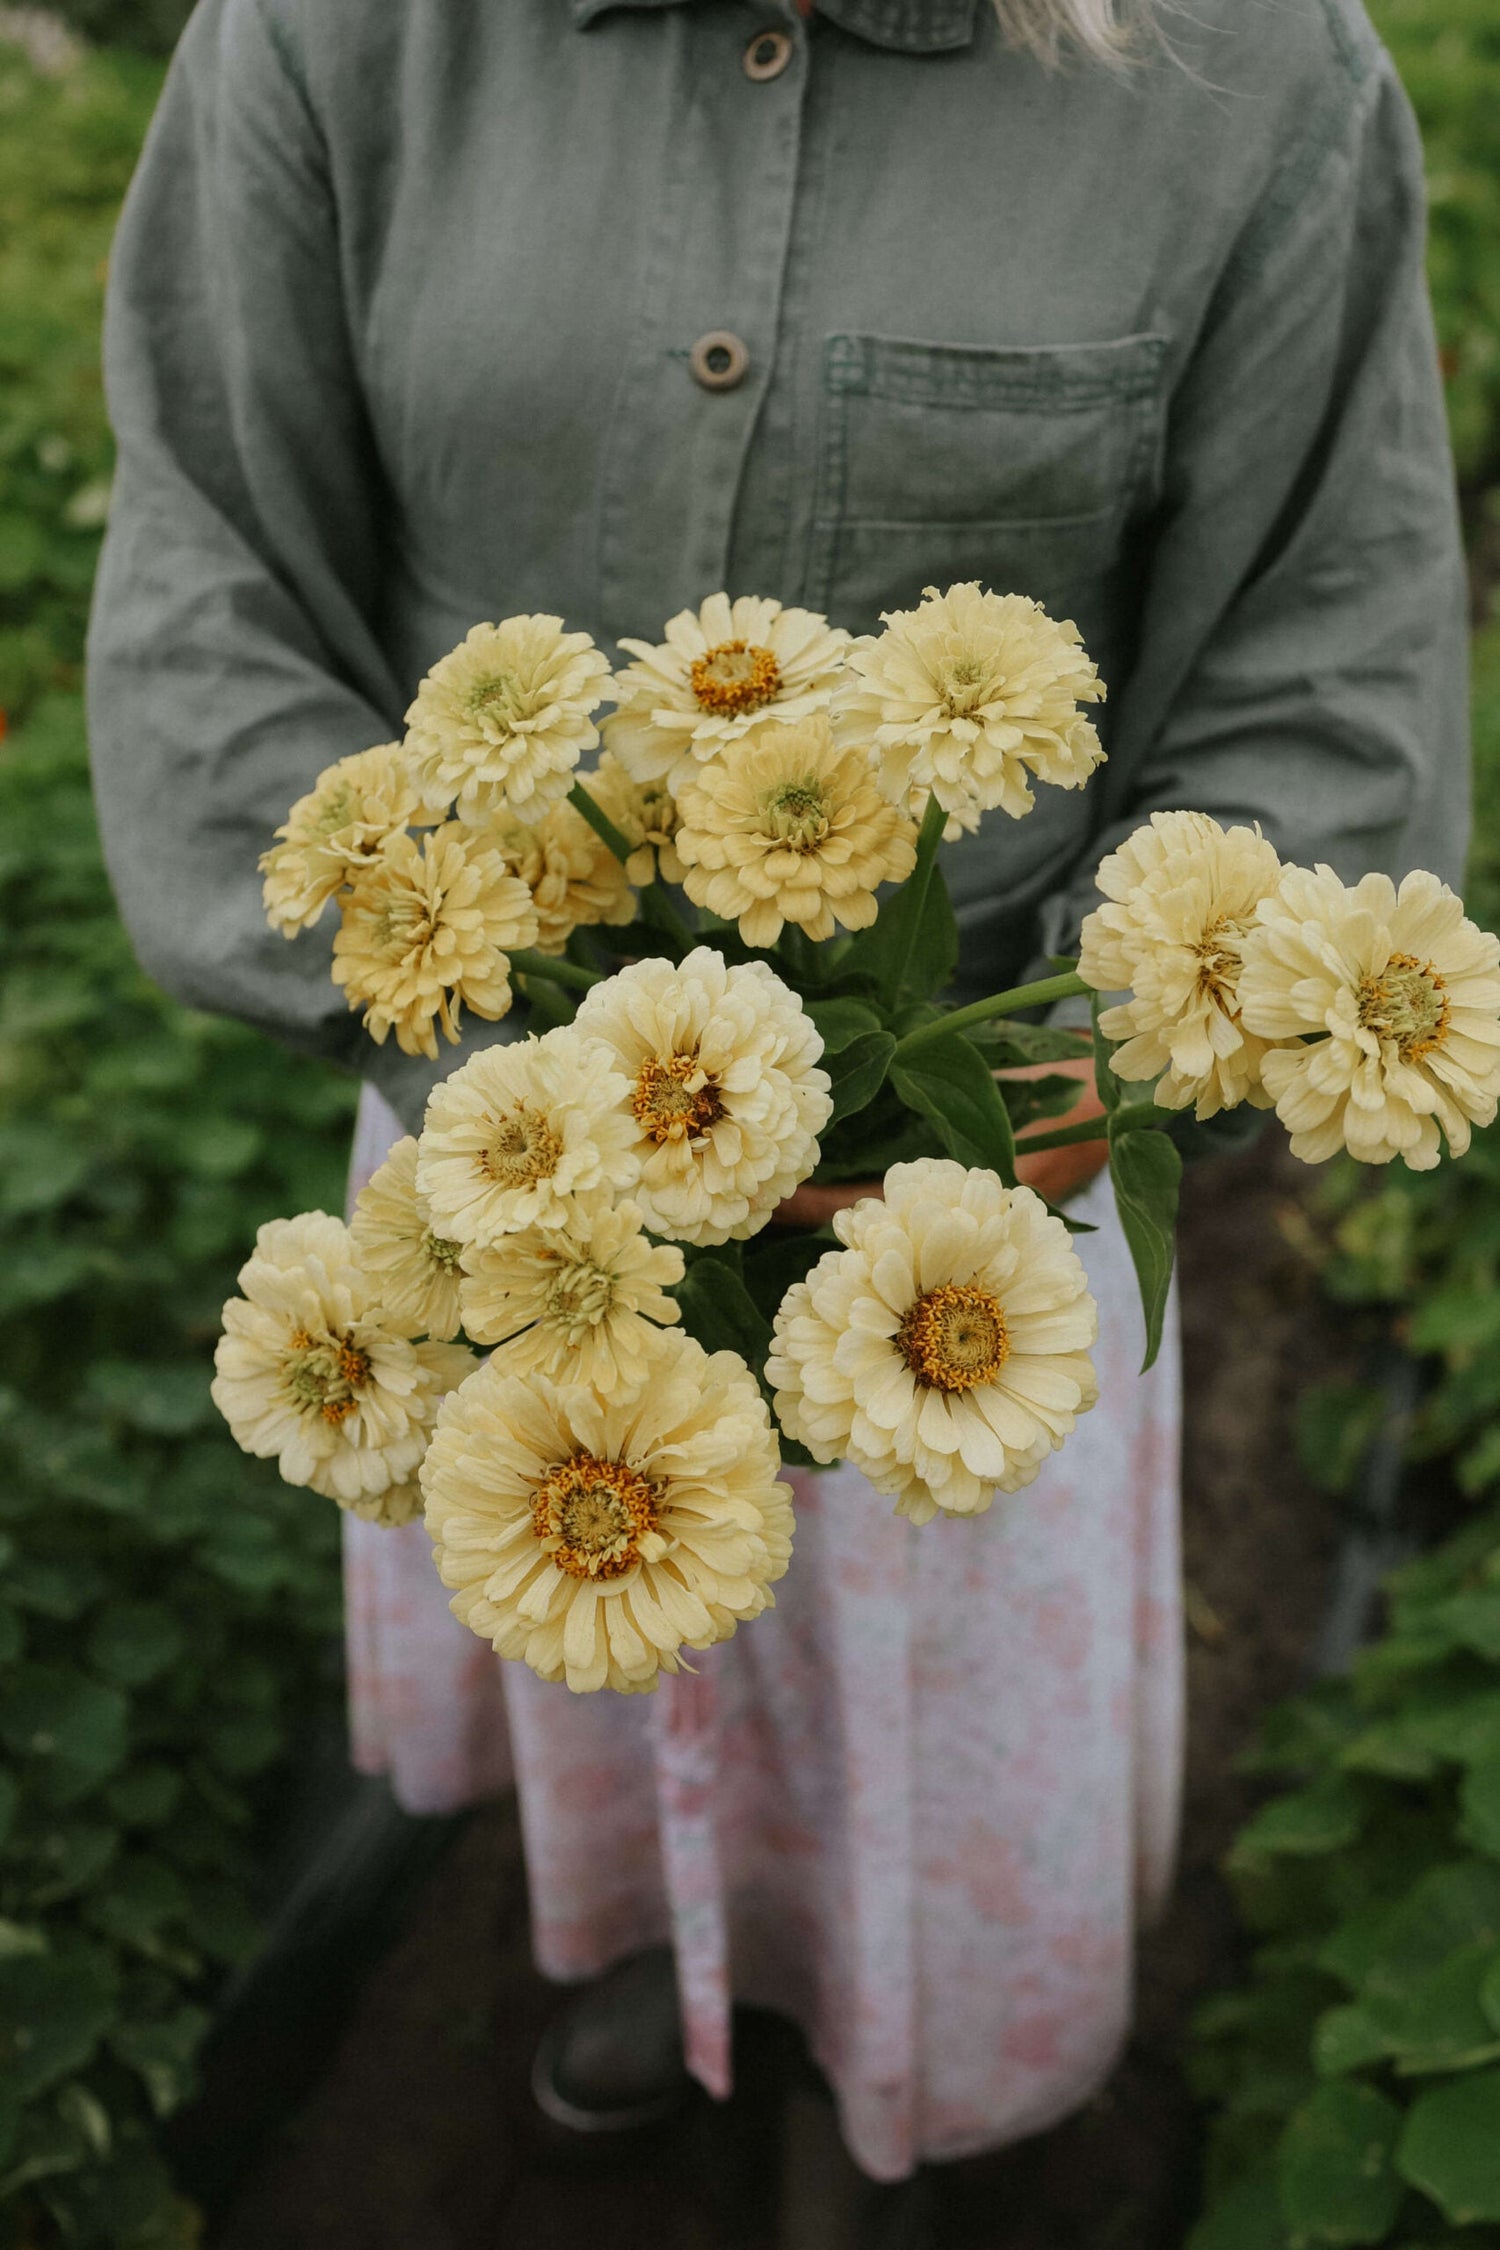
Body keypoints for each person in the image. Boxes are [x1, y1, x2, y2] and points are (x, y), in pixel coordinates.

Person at [88, 0, 1467, 2191]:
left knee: (932, 1741)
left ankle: (897, 2096)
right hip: (506, 1152)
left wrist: (984, 1131)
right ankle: (672, 1973)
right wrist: (516, 1081)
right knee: (602, 1613)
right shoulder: (328, 38)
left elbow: (1325, 691)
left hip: (983, 1213)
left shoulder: (1258, 78)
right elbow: (209, 577)